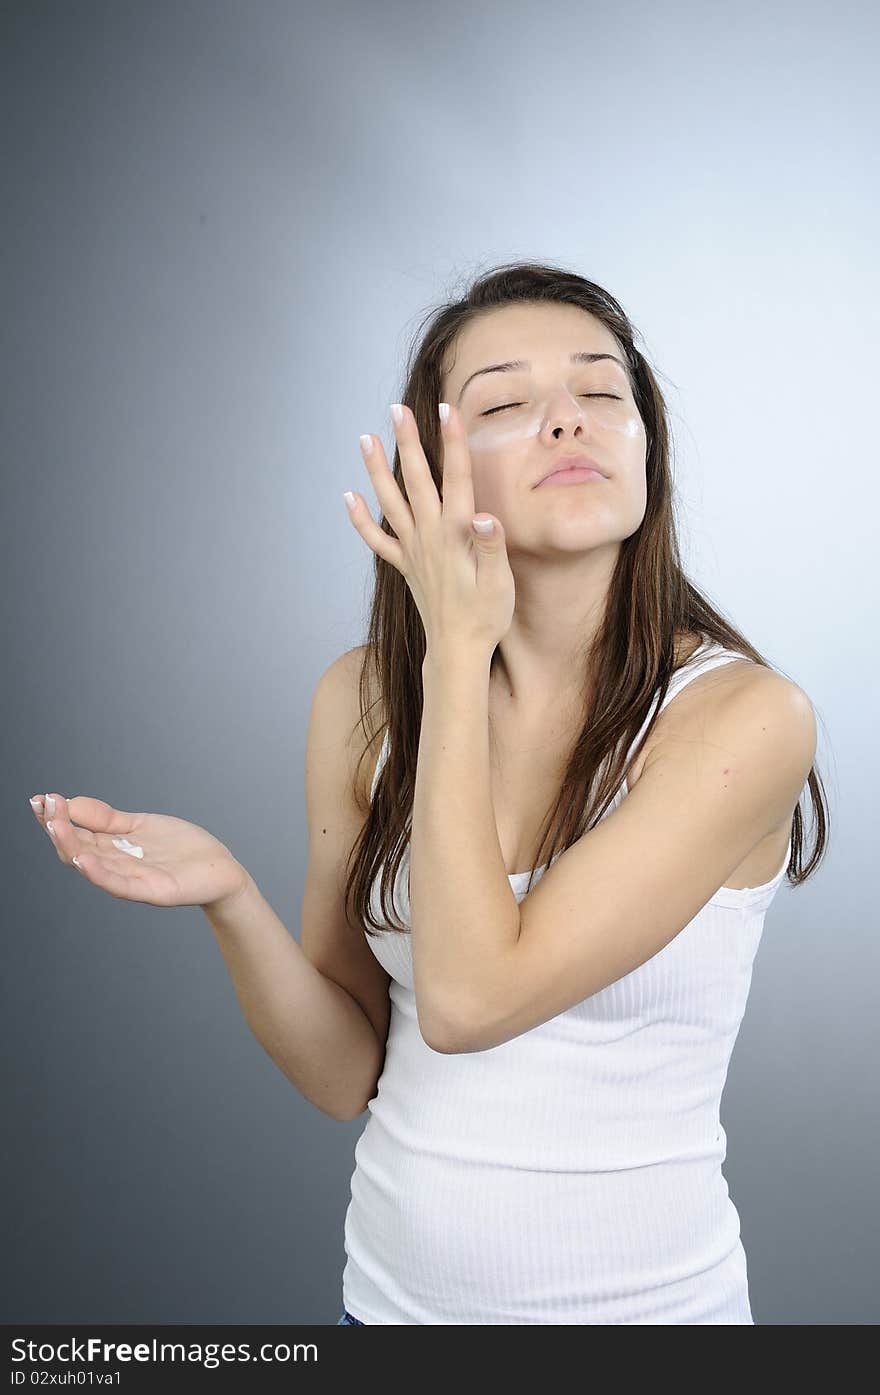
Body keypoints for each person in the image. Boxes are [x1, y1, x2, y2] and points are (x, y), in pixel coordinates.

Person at [31, 261, 828, 1325]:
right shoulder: (360, 701)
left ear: (648, 448)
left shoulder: (742, 718)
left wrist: (454, 657)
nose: (566, 422)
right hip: (391, 1311)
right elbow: (343, 1074)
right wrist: (231, 899)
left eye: (602, 392)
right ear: (428, 468)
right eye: (505, 403)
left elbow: (466, 1003)